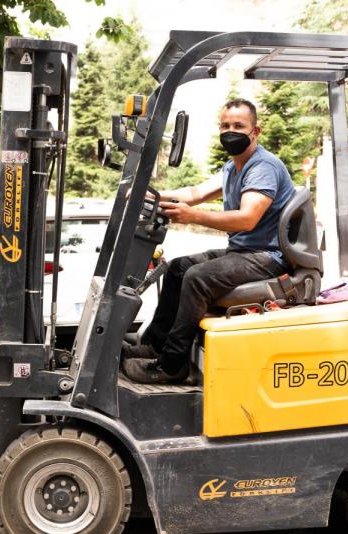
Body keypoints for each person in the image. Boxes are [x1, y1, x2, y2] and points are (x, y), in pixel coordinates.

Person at [122, 98, 296, 384]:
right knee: (177, 268)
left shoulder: (262, 166)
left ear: (256, 131)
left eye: (239, 126)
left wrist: (193, 217)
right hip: (243, 251)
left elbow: (247, 218)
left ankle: (172, 364)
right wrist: (150, 195)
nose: (231, 131)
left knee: (197, 277)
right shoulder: (233, 166)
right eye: (225, 125)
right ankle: (155, 344)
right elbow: (194, 192)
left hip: (268, 257)